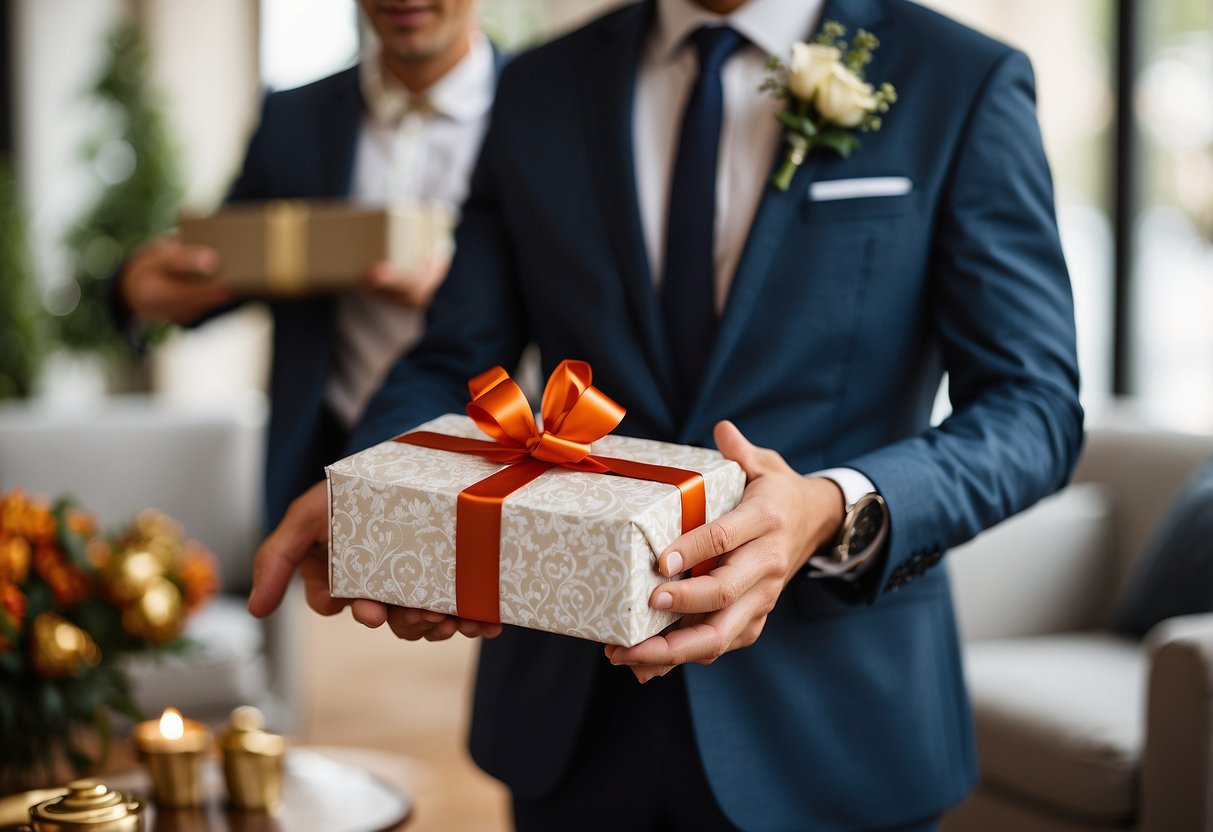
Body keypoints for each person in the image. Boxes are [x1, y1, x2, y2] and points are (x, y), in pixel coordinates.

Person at [248, 0, 1084, 828]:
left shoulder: (959, 78)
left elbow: (1033, 408)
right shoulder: (541, 82)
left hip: (835, 719)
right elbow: (455, 353)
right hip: (569, 699)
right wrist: (377, 485)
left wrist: (832, 506)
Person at [109, 0, 498, 528]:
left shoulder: (540, 106)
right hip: (327, 465)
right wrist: (136, 285)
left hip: (502, 456)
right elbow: (233, 259)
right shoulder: (293, 115)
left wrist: (462, 294)